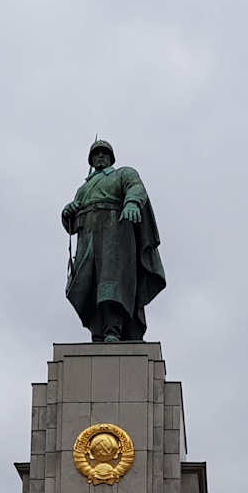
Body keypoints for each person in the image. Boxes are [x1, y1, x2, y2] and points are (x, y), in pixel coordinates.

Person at [62, 140, 165, 343]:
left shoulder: (122, 174)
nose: (100, 156)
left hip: (115, 234)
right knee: (89, 286)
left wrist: (133, 203)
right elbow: (72, 226)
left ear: (111, 158)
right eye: (96, 153)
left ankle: (113, 331)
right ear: (91, 160)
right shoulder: (83, 188)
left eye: (104, 153)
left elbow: (136, 187)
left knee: (111, 286)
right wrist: (68, 213)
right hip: (88, 240)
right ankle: (97, 333)